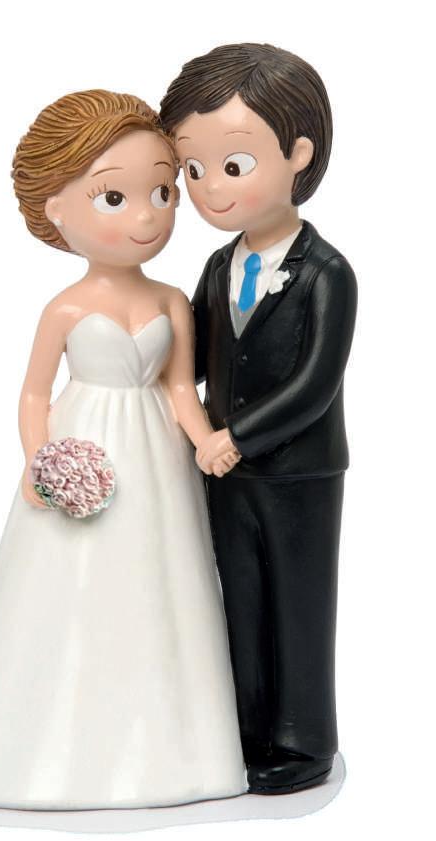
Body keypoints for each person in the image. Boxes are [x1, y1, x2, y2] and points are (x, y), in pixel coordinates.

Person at [0, 90, 248, 810]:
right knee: (70, 579)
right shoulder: (64, 309)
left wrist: (206, 441)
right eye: (115, 197)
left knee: (160, 579)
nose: (148, 215)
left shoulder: (171, 301)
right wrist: (40, 462)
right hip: (84, 441)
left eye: (162, 191)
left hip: (156, 454)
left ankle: (170, 742)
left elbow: (179, 387)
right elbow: (34, 393)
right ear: (58, 209)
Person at [160, 43, 358, 794]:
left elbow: (315, 385)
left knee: (299, 604)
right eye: (193, 169)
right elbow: (195, 354)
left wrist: (234, 438)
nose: (210, 188)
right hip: (226, 473)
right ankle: (244, 727)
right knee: (237, 599)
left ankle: (304, 738)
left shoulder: (327, 273)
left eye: (232, 164)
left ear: (297, 154)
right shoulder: (219, 267)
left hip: (297, 472)